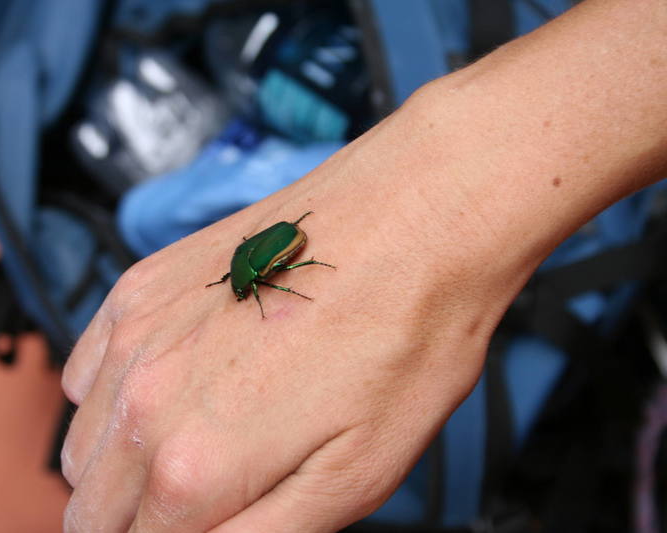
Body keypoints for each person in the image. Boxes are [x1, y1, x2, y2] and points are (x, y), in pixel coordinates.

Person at [59, 1, 667, 531]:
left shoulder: (253, 275)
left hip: (290, 237)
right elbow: (243, 263)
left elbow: (259, 258)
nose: (245, 294)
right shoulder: (242, 275)